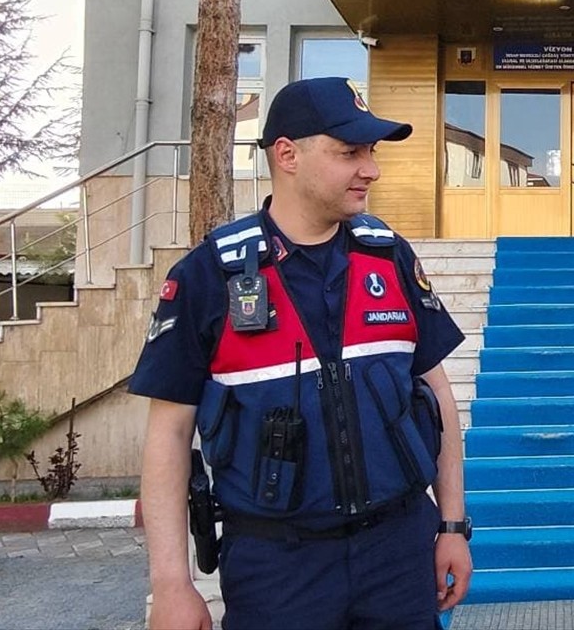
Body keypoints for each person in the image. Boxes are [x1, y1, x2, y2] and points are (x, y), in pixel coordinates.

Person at [130, 77, 472, 630]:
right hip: (277, 570)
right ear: (287, 154)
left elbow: (436, 395)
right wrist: (171, 582)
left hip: (399, 554)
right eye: (349, 153)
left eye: (372, 152)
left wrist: (452, 525)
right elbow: (169, 435)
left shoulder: (388, 259)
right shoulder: (209, 276)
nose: (372, 169)